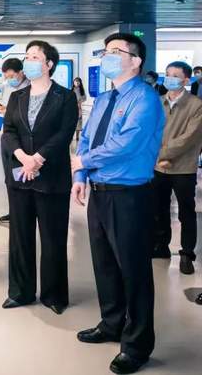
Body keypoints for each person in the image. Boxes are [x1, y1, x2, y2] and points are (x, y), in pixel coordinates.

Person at [71, 33, 165, 374]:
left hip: (129, 195)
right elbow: (86, 138)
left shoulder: (145, 99)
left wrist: (84, 161)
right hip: (99, 191)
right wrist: (80, 176)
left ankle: (137, 345)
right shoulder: (103, 99)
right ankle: (111, 323)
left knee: (133, 270)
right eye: (105, 51)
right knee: (105, 264)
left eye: (115, 51)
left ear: (135, 61)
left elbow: (127, 144)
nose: (107, 56)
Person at [1, 41, 78, 315]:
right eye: (27, 57)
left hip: (52, 177)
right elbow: (9, 131)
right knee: (20, 237)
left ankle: (54, 295)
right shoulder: (17, 97)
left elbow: (64, 134)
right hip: (20, 176)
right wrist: (23, 157)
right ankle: (20, 292)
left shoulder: (65, 97)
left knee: (53, 238)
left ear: (49, 64)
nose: (28, 61)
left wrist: (38, 159)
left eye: (35, 57)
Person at [151, 61, 202, 276]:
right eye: (167, 74)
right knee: (159, 209)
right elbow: (149, 131)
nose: (169, 78)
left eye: (175, 75)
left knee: (186, 212)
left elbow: (189, 139)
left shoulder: (196, 105)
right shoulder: (157, 102)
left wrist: (161, 155)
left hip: (183, 168)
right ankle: (161, 246)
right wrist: (157, 158)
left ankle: (187, 254)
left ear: (186, 80)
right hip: (158, 169)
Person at [0, 58, 30, 225]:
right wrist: (2, 110)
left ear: (21, 72)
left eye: (12, 76)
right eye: (6, 76)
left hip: (22, 140)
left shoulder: (30, 88)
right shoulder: (7, 87)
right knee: (9, 177)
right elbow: (4, 110)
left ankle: (24, 213)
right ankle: (14, 211)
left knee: (21, 176)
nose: (9, 79)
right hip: (7, 137)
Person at [72, 77, 87, 142]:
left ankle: (77, 136)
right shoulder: (71, 90)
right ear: (73, 82)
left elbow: (84, 98)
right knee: (72, 122)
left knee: (78, 122)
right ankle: (71, 136)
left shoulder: (81, 90)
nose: (77, 83)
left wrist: (80, 101)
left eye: (78, 81)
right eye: (76, 81)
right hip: (72, 107)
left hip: (79, 108)